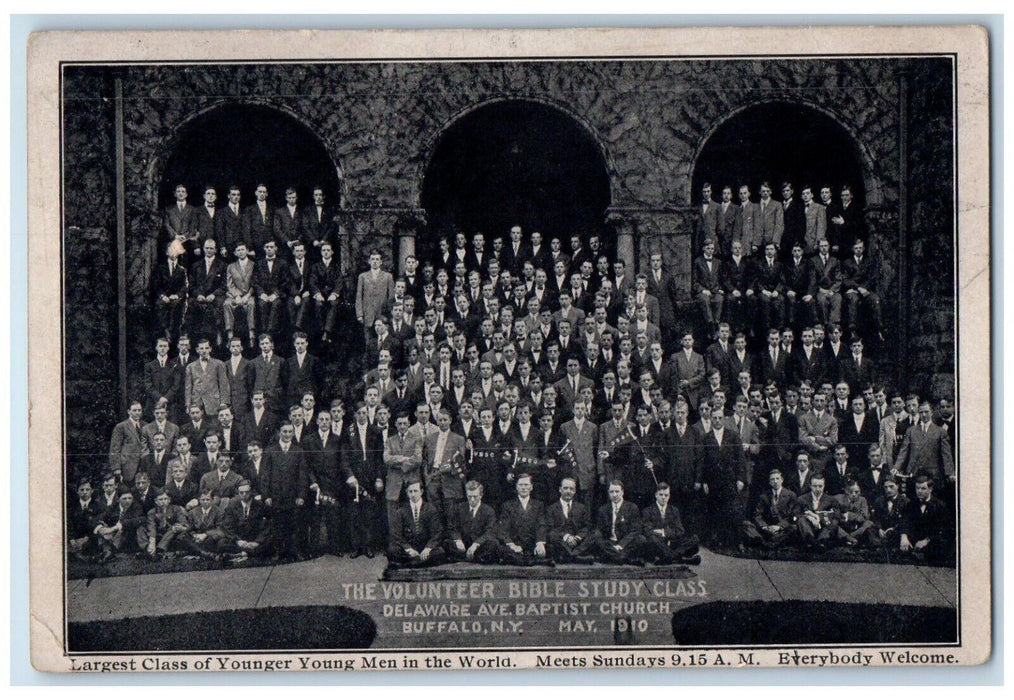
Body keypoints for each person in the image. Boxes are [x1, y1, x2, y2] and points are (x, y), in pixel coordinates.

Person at [261, 422, 308, 561]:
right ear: (279, 432)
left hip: (292, 495)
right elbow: (265, 475)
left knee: (294, 525)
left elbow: (303, 475)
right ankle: (278, 552)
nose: (287, 435)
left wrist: (301, 495)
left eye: (290, 432)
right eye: (284, 431)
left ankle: (295, 551)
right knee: (277, 525)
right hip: (276, 495)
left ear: (293, 433)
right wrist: (266, 495)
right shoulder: (270, 451)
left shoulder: (298, 451)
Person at [387, 480, 446, 568]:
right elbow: (396, 534)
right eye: (410, 492)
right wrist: (408, 549)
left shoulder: (431, 509)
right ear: (407, 493)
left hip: (425, 546)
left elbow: (437, 533)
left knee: (440, 552)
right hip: (409, 547)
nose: (413, 494)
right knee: (392, 551)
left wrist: (428, 548)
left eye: (415, 491)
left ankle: (409, 564)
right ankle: (419, 562)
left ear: (421, 492)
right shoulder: (401, 511)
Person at [497, 473, 552, 566]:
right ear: (516, 487)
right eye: (520, 485)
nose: (523, 488)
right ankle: (533, 561)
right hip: (515, 545)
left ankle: (526, 560)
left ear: (531, 487)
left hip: (531, 545)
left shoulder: (538, 505)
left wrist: (540, 543)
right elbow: (504, 529)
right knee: (500, 549)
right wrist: (512, 545)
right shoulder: (507, 505)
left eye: (526, 485)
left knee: (550, 546)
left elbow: (541, 525)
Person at [640, 482, 701, 564]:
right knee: (651, 540)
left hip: (672, 542)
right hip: (658, 543)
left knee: (694, 539)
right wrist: (668, 533)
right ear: (656, 495)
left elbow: (680, 530)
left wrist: (663, 532)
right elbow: (648, 531)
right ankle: (681, 559)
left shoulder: (674, 510)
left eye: (666, 495)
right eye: (661, 495)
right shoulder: (647, 511)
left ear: (669, 496)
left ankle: (669, 557)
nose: (663, 498)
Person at [899, 475, 953, 565]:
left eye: (923, 488)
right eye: (917, 488)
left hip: (932, 544)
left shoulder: (940, 506)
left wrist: (926, 541)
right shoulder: (911, 504)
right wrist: (904, 536)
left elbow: (943, 529)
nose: (919, 491)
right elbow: (905, 521)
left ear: (930, 489)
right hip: (913, 543)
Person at [447, 481, 502, 563]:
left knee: (492, 544)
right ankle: (469, 558)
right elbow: (453, 527)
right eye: (469, 496)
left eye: (475, 496)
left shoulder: (489, 510)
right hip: (464, 545)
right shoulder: (459, 508)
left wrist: (476, 544)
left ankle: (471, 558)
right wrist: (458, 540)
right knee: (447, 543)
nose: (472, 500)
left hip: (479, 546)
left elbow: (490, 531)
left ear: (481, 495)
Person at [742, 468, 797, 549]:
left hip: (781, 529)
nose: (775, 481)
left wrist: (779, 526)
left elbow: (791, 515)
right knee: (746, 524)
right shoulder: (764, 496)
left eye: (777, 478)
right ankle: (769, 542)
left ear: (782, 480)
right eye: (772, 479)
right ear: (769, 482)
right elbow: (757, 515)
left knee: (794, 528)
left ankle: (766, 544)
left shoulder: (791, 495)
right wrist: (765, 527)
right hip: (767, 529)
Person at [595, 479, 645, 565]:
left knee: (641, 539)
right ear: (608, 493)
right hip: (610, 543)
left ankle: (615, 557)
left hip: (625, 543)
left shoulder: (632, 507)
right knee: (595, 537)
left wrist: (621, 545)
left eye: (617, 491)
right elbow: (600, 530)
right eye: (611, 492)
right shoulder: (603, 509)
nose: (614, 495)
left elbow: (636, 530)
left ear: (622, 492)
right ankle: (624, 558)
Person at [187, 239, 227, 344]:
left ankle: (218, 335)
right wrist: (198, 294)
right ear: (204, 249)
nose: (209, 250)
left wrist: (214, 295)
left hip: (215, 296)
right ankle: (191, 337)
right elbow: (191, 285)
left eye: (211, 248)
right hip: (199, 296)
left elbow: (224, 285)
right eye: (207, 248)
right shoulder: (196, 265)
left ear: (215, 250)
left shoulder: (222, 265)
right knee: (190, 304)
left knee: (219, 305)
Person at [220, 479, 271, 560]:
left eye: (247, 492)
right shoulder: (232, 505)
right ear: (237, 493)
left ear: (251, 492)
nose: (244, 495)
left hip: (254, 539)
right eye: (241, 492)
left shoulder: (259, 505)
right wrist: (238, 541)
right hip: (239, 539)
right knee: (222, 543)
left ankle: (242, 553)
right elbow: (227, 526)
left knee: (269, 542)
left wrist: (257, 542)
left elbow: (265, 526)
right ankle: (249, 553)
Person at [252, 241, 290, 339]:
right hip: (263, 295)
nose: (269, 249)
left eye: (271, 247)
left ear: (276, 248)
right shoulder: (259, 263)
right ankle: (264, 332)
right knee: (262, 304)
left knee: (276, 304)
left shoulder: (283, 263)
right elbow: (255, 282)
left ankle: (270, 333)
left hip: (277, 295)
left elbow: (285, 282)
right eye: (267, 247)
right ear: (264, 249)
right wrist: (262, 294)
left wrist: (276, 294)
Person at [794, 472, 840, 551]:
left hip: (824, 528)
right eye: (815, 486)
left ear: (824, 486)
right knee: (801, 520)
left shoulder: (831, 500)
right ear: (810, 486)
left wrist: (819, 519)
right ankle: (810, 541)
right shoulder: (802, 499)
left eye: (820, 486)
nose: (818, 489)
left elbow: (836, 517)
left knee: (832, 523)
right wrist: (809, 517)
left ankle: (821, 542)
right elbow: (796, 515)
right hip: (807, 528)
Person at [184, 338, 230, 418]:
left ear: (210, 349)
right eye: (201, 348)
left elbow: (224, 385)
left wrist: (224, 402)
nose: (204, 350)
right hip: (197, 403)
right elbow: (188, 387)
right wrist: (188, 404)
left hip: (214, 403)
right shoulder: (191, 366)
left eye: (206, 348)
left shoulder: (218, 364)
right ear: (197, 350)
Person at [356, 250, 395, 341]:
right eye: (372, 259)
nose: (375, 261)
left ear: (381, 262)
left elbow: (391, 297)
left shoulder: (387, 276)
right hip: (368, 313)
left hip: (382, 313)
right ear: (369, 261)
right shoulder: (363, 276)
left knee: (383, 338)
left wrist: (389, 314)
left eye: (377, 259)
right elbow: (359, 296)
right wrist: (359, 314)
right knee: (368, 340)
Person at [108, 401, 149, 484]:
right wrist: (116, 468)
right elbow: (115, 448)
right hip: (127, 466)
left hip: (143, 465)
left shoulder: (146, 425)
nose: (137, 413)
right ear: (128, 411)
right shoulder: (121, 426)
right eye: (134, 410)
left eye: (139, 410)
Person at [224, 242, 257, 346]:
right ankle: (230, 335)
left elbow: (255, 283)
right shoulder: (231, 266)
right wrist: (237, 295)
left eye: (242, 249)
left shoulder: (253, 265)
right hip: (234, 296)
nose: (241, 252)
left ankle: (251, 333)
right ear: (235, 253)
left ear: (247, 251)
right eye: (238, 250)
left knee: (251, 304)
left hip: (249, 295)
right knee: (227, 304)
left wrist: (247, 295)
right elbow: (230, 284)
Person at [143, 488, 191, 560]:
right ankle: (150, 550)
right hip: (159, 535)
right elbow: (151, 527)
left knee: (174, 528)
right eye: (161, 500)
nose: (163, 502)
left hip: (173, 535)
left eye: (165, 499)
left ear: (169, 500)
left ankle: (160, 549)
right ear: (156, 501)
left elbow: (184, 523)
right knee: (142, 530)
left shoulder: (176, 509)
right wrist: (152, 542)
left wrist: (181, 527)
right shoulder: (152, 512)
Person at [153, 249, 189, 342]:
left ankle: (172, 332)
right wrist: (162, 296)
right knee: (160, 305)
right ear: (167, 252)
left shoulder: (182, 269)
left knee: (176, 306)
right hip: (164, 297)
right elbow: (156, 285)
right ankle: (165, 331)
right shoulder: (160, 268)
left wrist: (177, 295)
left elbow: (185, 286)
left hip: (176, 298)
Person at [183, 490, 229, 559]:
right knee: (183, 537)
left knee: (219, 541)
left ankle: (201, 552)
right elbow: (190, 527)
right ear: (199, 500)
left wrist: (205, 535)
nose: (205, 502)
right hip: (197, 537)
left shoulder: (219, 512)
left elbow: (220, 529)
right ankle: (204, 553)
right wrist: (195, 535)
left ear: (212, 500)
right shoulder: (193, 512)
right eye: (203, 500)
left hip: (211, 536)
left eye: (208, 499)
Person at [143, 337, 181, 420]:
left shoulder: (175, 365)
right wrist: (159, 398)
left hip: (170, 405)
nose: (163, 348)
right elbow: (148, 385)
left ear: (168, 348)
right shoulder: (149, 365)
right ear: (156, 348)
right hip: (153, 403)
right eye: (160, 346)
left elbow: (176, 385)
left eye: (165, 346)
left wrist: (166, 398)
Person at [68, 479, 104, 561]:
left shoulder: (98, 506)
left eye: (87, 489)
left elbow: (97, 524)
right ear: (77, 491)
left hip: (90, 537)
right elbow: (69, 524)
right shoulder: (72, 507)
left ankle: (88, 555)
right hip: (75, 538)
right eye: (82, 490)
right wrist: (72, 540)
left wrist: (86, 538)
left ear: (91, 491)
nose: (84, 492)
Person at [835, 478, 876, 547]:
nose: (854, 494)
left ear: (860, 491)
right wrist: (843, 516)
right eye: (851, 492)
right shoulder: (837, 499)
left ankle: (850, 538)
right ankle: (849, 538)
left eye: (856, 492)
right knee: (833, 524)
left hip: (856, 528)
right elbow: (835, 514)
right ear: (845, 491)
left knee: (869, 523)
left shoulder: (862, 500)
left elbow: (864, 517)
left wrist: (849, 515)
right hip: (842, 525)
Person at [241, 183, 273, 256]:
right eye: (260, 192)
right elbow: (246, 230)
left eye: (264, 192)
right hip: (256, 245)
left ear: (266, 194)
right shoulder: (249, 209)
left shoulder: (272, 209)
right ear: (256, 193)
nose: (262, 194)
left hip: (269, 244)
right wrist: (250, 247)